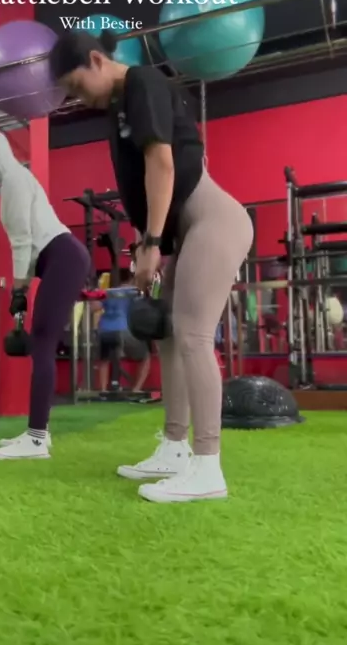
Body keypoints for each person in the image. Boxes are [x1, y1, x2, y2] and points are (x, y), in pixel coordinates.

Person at [50, 31, 253, 503]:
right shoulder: (121, 104)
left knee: (193, 335)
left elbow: (161, 162)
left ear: (97, 60)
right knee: (169, 335)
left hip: (212, 221)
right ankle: (175, 447)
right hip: (185, 230)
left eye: (77, 85)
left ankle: (208, 466)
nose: (78, 97)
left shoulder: (142, 81)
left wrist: (151, 244)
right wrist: (151, 241)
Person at [0, 124, 90, 460]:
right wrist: (23, 290)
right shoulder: (13, 179)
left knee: (42, 344)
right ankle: (38, 433)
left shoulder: (14, 179)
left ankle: (36, 440)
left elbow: (22, 242)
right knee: (41, 343)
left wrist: (19, 289)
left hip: (62, 257)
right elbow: (27, 244)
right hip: (62, 258)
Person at [93, 268, 152, 394]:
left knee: (104, 360)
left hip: (105, 330)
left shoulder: (107, 291)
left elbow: (94, 307)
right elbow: (141, 310)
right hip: (124, 329)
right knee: (145, 357)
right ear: (130, 279)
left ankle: (103, 390)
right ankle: (136, 389)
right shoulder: (133, 291)